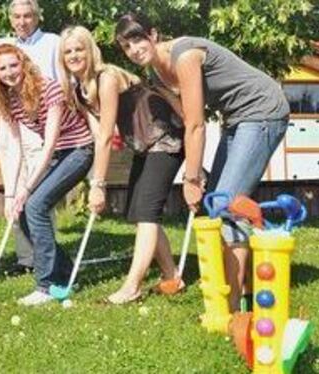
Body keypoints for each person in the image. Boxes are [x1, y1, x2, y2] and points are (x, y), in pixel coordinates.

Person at [115, 13, 290, 311]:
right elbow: (186, 120)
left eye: (137, 39)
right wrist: (198, 169)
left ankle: (234, 306)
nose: (133, 50)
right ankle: (245, 290)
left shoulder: (185, 56)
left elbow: (197, 124)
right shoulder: (157, 75)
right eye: (126, 46)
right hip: (235, 120)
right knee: (217, 203)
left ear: (153, 35)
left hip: (262, 110)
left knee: (226, 207)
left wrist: (191, 178)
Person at [59, 26, 184, 304]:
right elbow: (97, 135)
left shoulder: (107, 77)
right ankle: (171, 275)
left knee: (147, 212)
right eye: (68, 51)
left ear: (90, 50)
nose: (74, 55)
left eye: (79, 49)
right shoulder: (80, 89)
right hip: (143, 145)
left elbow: (105, 135)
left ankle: (132, 286)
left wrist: (98, 185)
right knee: (140, 212)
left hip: (166, 138)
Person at [0, 44, 94, 306]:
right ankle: (67, 274)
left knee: (35, 205)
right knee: (24, 210)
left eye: (14, 65)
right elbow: (14, 147)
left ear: (23, 63)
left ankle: (45, 285)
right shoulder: (9, 98)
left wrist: (27, 188)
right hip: (59, 153)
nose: (10, 72)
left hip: (79, 149)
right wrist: (11, 194)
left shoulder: (49, 89)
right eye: (3, 68)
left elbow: (49, 142)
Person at [0, 0, 61, 276]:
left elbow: (62, 82)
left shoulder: (52, 42)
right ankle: (26, 259)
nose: (22, 21)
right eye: (17, 16)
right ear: (11, 19)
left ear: (36, 16)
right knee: (16, 188)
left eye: (27, 15)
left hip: (44, 125)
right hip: (17, 124)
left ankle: (47, 257)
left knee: (38, 194)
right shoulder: (6, 48)